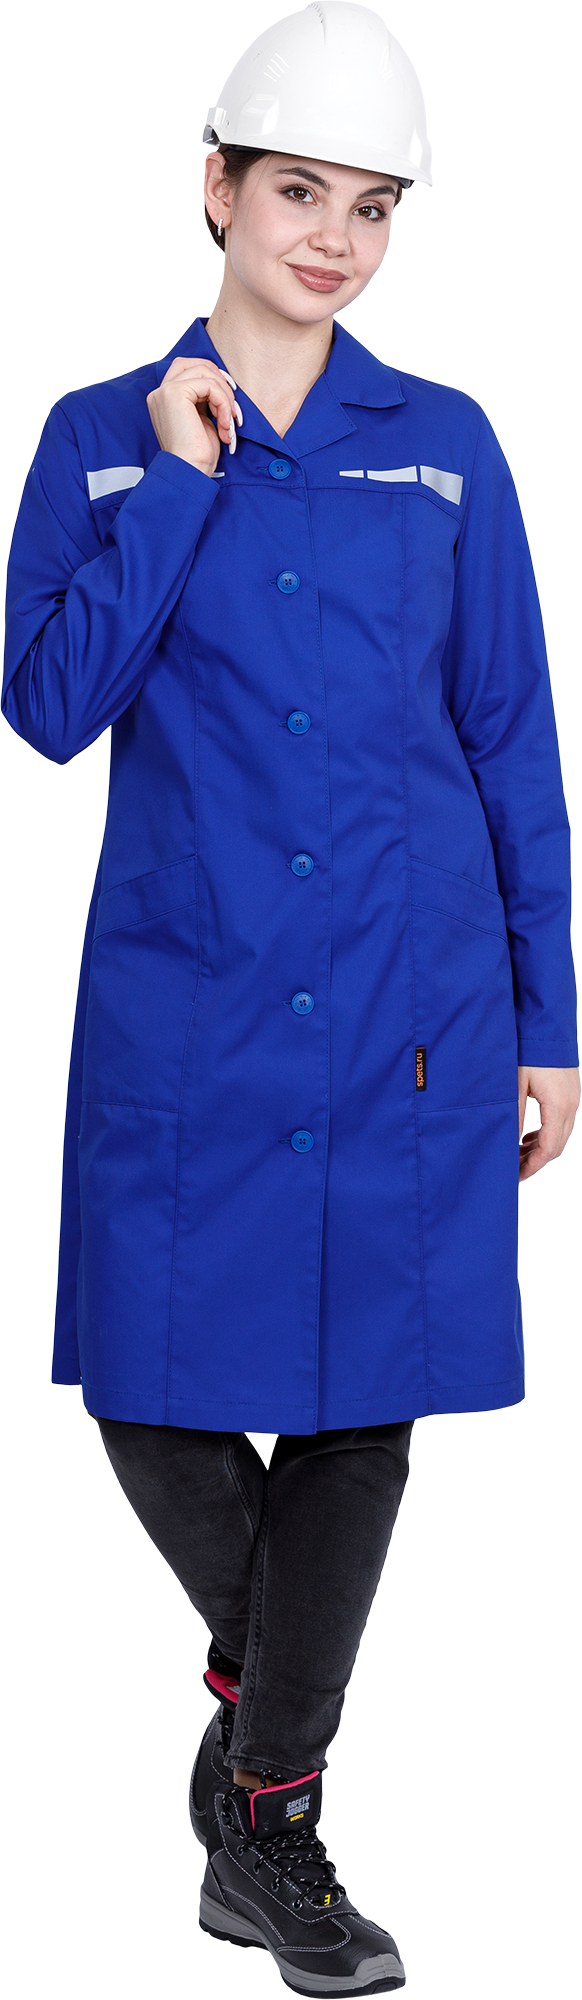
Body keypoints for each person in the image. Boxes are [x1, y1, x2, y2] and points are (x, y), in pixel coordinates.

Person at [3, 3, 579, 1993]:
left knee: (362, 1410)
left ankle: (265, 1818)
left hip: (416, 1001)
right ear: (218, 188)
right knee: (149, 1386)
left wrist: (551, 1019)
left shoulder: (447, 446)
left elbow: (508, 742)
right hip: (192, 1002)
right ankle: (272, 1714)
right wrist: (173, 485)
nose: (336, 237)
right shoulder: (99, 433)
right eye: (301, 193)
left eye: (374, 206)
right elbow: (47, 704)